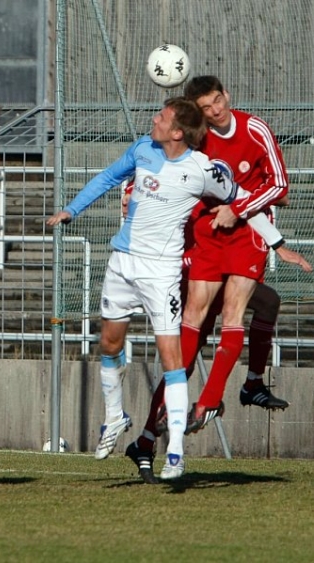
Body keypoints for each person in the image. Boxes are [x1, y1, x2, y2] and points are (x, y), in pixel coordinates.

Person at [45, 97, 286, 479]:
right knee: (118, 345)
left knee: (181, 352)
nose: (153, 119)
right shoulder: (144, 149)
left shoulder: (203, 168)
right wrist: (71, 209)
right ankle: (126, 422)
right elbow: (110, 177)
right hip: (137, 262)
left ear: (177, 131)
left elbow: (243, 200)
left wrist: (277, 242)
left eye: (161, 116)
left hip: (166, 270)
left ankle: (173, 445)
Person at [118, 185, 311, 484]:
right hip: (196, 264)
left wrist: (269, 227)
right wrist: (134, 195)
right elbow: (153, 181)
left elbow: (274, 197)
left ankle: (149, 438)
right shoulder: (197, 173)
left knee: (264, 304)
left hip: (220, 261)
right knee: (185, 360)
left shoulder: (227, 180)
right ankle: (154, 435)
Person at [177, 76, 295, 434]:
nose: (216, 111)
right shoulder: (197, 138)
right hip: (205, 237)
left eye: (218, 100)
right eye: (206, 108)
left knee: (245, 307)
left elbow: (280, 187)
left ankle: (218, 396)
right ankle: (172, 403)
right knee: (197, 317)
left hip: (246, 235)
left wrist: (241, 208)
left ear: (226, 94)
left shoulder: (254, 128)